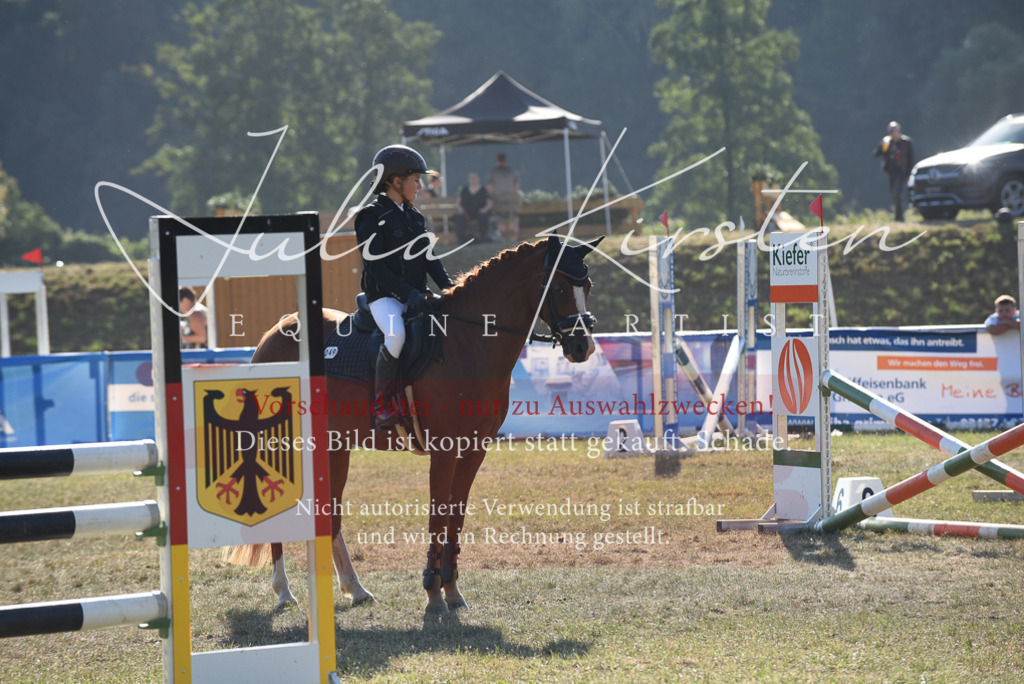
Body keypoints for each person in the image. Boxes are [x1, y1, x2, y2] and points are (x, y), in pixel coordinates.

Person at [355, 144, 455, 430]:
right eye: (416, 180)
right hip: (384, 297)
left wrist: (450, 289)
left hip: (415, 296)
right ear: (396, 181)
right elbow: (375, 267)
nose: (421, 186)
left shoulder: (415, 218)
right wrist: (408, 294)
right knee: (396, 334)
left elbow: (431, 261)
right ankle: (383, 404)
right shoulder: (370, 217)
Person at [873, 121, 915, 221]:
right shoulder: (886, 142)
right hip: (891, 172)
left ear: (898, 130)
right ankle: (898, 216)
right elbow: (876, 154)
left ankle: (900, 217)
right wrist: (882, 147)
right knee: (894, 194)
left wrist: (909, 174)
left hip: (901, 172)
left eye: (894, 130)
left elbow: (911, 159)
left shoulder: (906, 142)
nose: (892, 133)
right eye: (890, 131)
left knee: (897, 193)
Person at [488, 152, 521, 241]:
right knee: (513, 218)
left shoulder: (494, 172)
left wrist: (491, 197)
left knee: (499, 218)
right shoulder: (512, 171)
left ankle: (502, 236)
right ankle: (514, 237)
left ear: (497, 161)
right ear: (506, 161)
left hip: (498, 203)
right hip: (511, 204)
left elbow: (490, 188)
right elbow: (516, 186)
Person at [454, 172, 493, 242]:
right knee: (459, 218)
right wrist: (460, 209)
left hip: (479, 213)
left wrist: (484, 209)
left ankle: (482, 237)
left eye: (475, 178)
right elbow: (458, 202)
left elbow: (489, 203)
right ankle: (461, 239)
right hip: (467, 213)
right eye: (471, 178)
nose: (473, 179)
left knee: (483, 217)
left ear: (478, 179)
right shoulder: (464, 190)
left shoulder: (483, 190)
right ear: (469, 179)